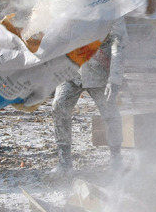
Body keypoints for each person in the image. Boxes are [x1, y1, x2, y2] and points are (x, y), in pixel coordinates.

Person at [51, 17, 128, 173]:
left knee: (109, 110)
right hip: (71, 70)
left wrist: (114, 79)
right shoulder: (71, 1)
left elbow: (118, 44)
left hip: (99, 69)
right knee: (59, 106)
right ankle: (64, 162)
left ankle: (116, 158)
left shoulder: (112, 6)